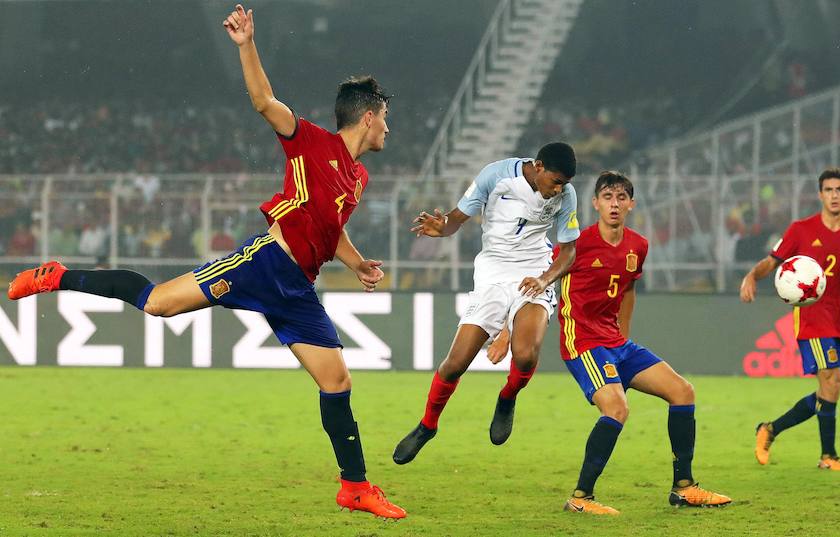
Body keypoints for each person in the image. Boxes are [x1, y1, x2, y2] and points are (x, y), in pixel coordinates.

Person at [7, 4, 405, 519]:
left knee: (337, 381)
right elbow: (264, 100)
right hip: (265, 264)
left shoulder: (357, 178)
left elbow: (331, 229)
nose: (389, 130)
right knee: (157, 305)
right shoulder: (311, 142)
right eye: (386, 119)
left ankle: (354, 487)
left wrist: (355, 263)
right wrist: (246, 45)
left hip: (298, 288)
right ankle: (58, 276)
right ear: (368, 116)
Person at [488, 171, 731, 514]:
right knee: (617, 408)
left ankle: (684, 488)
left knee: (683, 392)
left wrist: (624, 337)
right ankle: (580, 497)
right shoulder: (576, 245)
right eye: (607, 198)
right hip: (583, 341)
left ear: (631, 204)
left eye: (621, 198)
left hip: (617, 343)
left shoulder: (638, 246)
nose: (614, 204)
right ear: (595, 204)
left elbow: (628, 288)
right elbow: (535, 283)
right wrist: (506, 331)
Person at [392, 143, 580, 464]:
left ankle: (507, 397)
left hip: (534, 272)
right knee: (455, 363)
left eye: (564, 183)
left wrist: (545, 279)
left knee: (525, 354)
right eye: (556, 180)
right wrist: (443, 228)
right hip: (492, 274)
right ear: (538, 166)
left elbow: (569, 252)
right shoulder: (496, 176)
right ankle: (428, 425)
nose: (559, 188)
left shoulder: (566, 196)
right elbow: (455, 219)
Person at [741, 167, 840, 471]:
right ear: (820, 195)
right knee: (831, 381)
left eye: (839, 190)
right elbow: (773, 261)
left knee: (830, 389)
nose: (834, 195)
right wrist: (751, 276)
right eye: (828, 190)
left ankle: (770, 429)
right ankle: (828, 456)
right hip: (811, 321)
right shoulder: (801, 230)